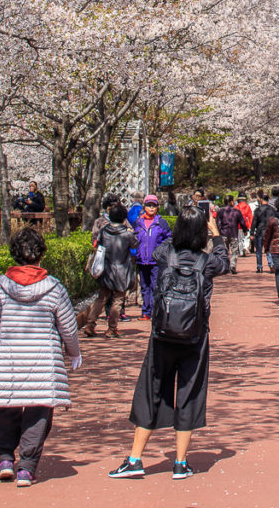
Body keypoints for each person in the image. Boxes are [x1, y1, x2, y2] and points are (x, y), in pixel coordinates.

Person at [109, 207, 228, 480]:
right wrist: (216, 234)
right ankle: (180, 463)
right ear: (202, 232)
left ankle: (135, 458)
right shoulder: (207, 262)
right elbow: (224, 261)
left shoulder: (165, 254)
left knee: (150, 391)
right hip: (195, 337)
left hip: (162, 336)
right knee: (189, 393)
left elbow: (157, 245)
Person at [0, 227, 82, 486]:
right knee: (38, 414)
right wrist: (74, 352)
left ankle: (4, 460)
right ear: (41, 255)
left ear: (15, 254)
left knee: (7, 408)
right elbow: (67, 326)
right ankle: (26, 467)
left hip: (8, 361)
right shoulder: (53, 287)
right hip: (43, 363)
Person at [83, 203, 138, 337]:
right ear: (124, 217)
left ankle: (90, 324)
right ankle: (112, 328)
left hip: (106, 270)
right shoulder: (127, 234)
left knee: (101, 298)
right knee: (118, 300)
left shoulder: (103, 231)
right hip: (121, 270)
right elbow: (135, 243)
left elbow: (99, 243)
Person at [135, 194, 172, 319]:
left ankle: (156, 311)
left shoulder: (161, 222)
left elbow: (169, 239)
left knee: (156, 286)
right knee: (144, 287)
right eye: (148, 205)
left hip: (156, 261)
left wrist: (162, 254)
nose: (151, 208)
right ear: (144, 207)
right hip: (141, 261)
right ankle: (146, 311)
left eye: (154, 206)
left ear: (157, 207)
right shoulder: (138, 222)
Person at [216, 196, 247, 274]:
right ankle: (232, 265)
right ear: (231, 202)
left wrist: (220, 231)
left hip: (223, 233)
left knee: (224, 251)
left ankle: (225, 266)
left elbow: (218, 223)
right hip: (233, 233)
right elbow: (242, 222)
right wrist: (245, 230)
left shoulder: (220, 212)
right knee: (234, 251)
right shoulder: (236, 211)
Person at [250, 193, 275, 274]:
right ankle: (271, 264)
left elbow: (254, 222)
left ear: (261, 200)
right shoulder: (272, 210)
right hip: (269, 232)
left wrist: (251, 233)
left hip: (259, 231)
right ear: (268, 200)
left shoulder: (257, 210)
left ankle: (259, 267)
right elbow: (274, 221)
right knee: (268, 249)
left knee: (258, 251)